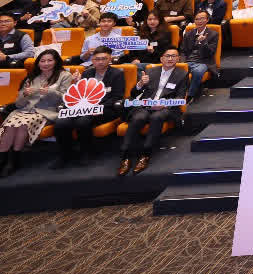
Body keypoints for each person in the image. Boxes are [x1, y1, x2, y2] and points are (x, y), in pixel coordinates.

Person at [0, 49, 73, 180]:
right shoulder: (31, 77)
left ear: (56, 62)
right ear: (38, 63)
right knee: (10, 125)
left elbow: (66, 98)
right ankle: (1, 162)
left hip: (46, 112)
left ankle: (13, 161)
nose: (46, 63)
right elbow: (18, 104)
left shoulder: (65, 75)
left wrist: (50, 92)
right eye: (42, 61)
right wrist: (24, 95)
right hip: (24, 110)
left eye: (49, 60)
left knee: (23, 124)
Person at [119, 48, 189, 176]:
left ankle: (145, 155)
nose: (170, 58)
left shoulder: (182, 74)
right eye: (167, 56)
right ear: (161, 59)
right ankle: (125, 156)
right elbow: (133, 93)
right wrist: (140, 84)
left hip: (167, 108)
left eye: (174, 56)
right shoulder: (151, 71)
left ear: (178, 59)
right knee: (139, 118)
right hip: (146, 105)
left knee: (156, 117)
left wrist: (164, 104)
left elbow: (180, 97)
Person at [53, 49, 126, 168]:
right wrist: (76, 83)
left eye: (104, 59)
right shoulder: (87, 73)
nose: (100, 62)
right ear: (92, 60)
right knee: (61, 122)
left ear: (110, 59)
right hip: (84, 107)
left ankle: (85, 152)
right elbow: (81, 94)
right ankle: (65, 154)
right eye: (97, 59)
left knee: (83, 121)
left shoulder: (117, 74)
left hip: (106, 108)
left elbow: (117, 97)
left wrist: (98, 107)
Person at [178, 10, 218, 102]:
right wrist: (182, 63)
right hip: (188, 61)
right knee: (178, 70)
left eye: (202, 18)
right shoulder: (188, 34)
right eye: (197, 19)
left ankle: (190, 95)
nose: (199, 21)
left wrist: (204, 42)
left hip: (203, 62)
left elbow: (211, 53)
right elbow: (183, 51)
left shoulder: (213, 34)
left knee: (197, 71)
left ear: (207, 20)